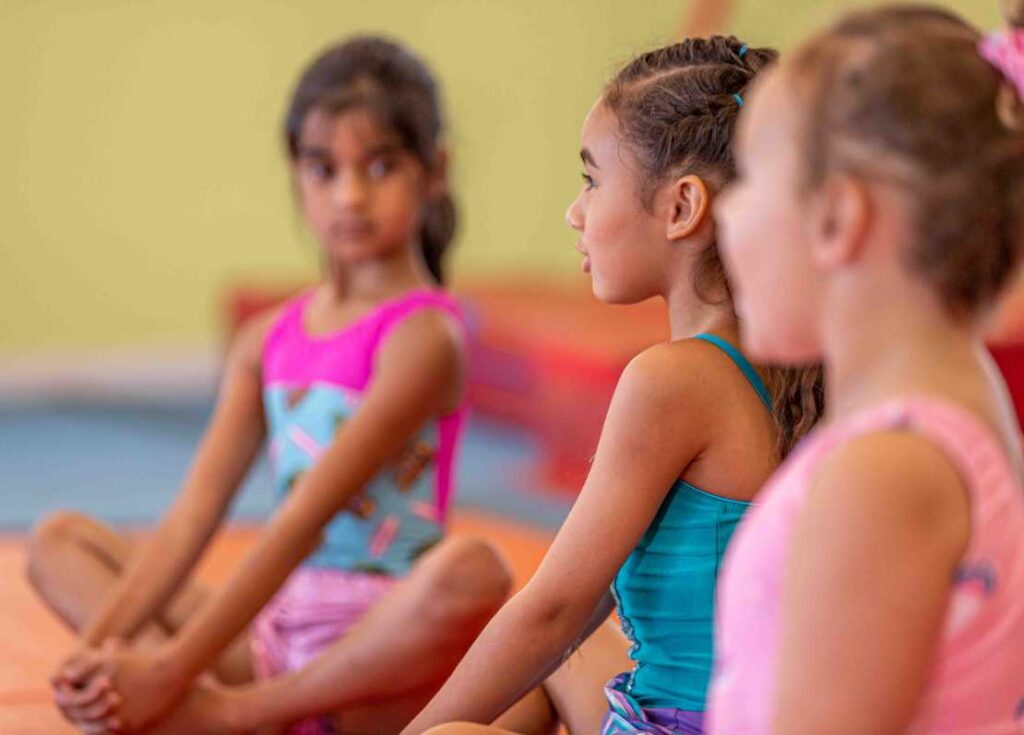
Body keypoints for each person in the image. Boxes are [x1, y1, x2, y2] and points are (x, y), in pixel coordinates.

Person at [26, 36, 512, 735]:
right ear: (296, 175)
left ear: (434, 172)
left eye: (380, 166)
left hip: (376, 657)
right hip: (274, 636)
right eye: (324, 168)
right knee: (60, 540)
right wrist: (92, 654)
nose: (349, 194)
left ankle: (229, 714)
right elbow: (191, 520)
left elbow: (302, 518)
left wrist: (167, 669)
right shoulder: (269, 342)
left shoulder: (426, 337)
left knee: (476, 570)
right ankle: (171, 701)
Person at [401, 36, 823, 735]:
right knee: (572, 658)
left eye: (592, 179)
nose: (575, 212)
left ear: (682, 207)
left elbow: (553, 607)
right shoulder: (793, 360)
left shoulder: (673, 380)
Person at [708, 5, 1024, 733]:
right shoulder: (953, 402)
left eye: (749, 177)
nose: (726, 213)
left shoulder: (886, 472)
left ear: (836, 218)